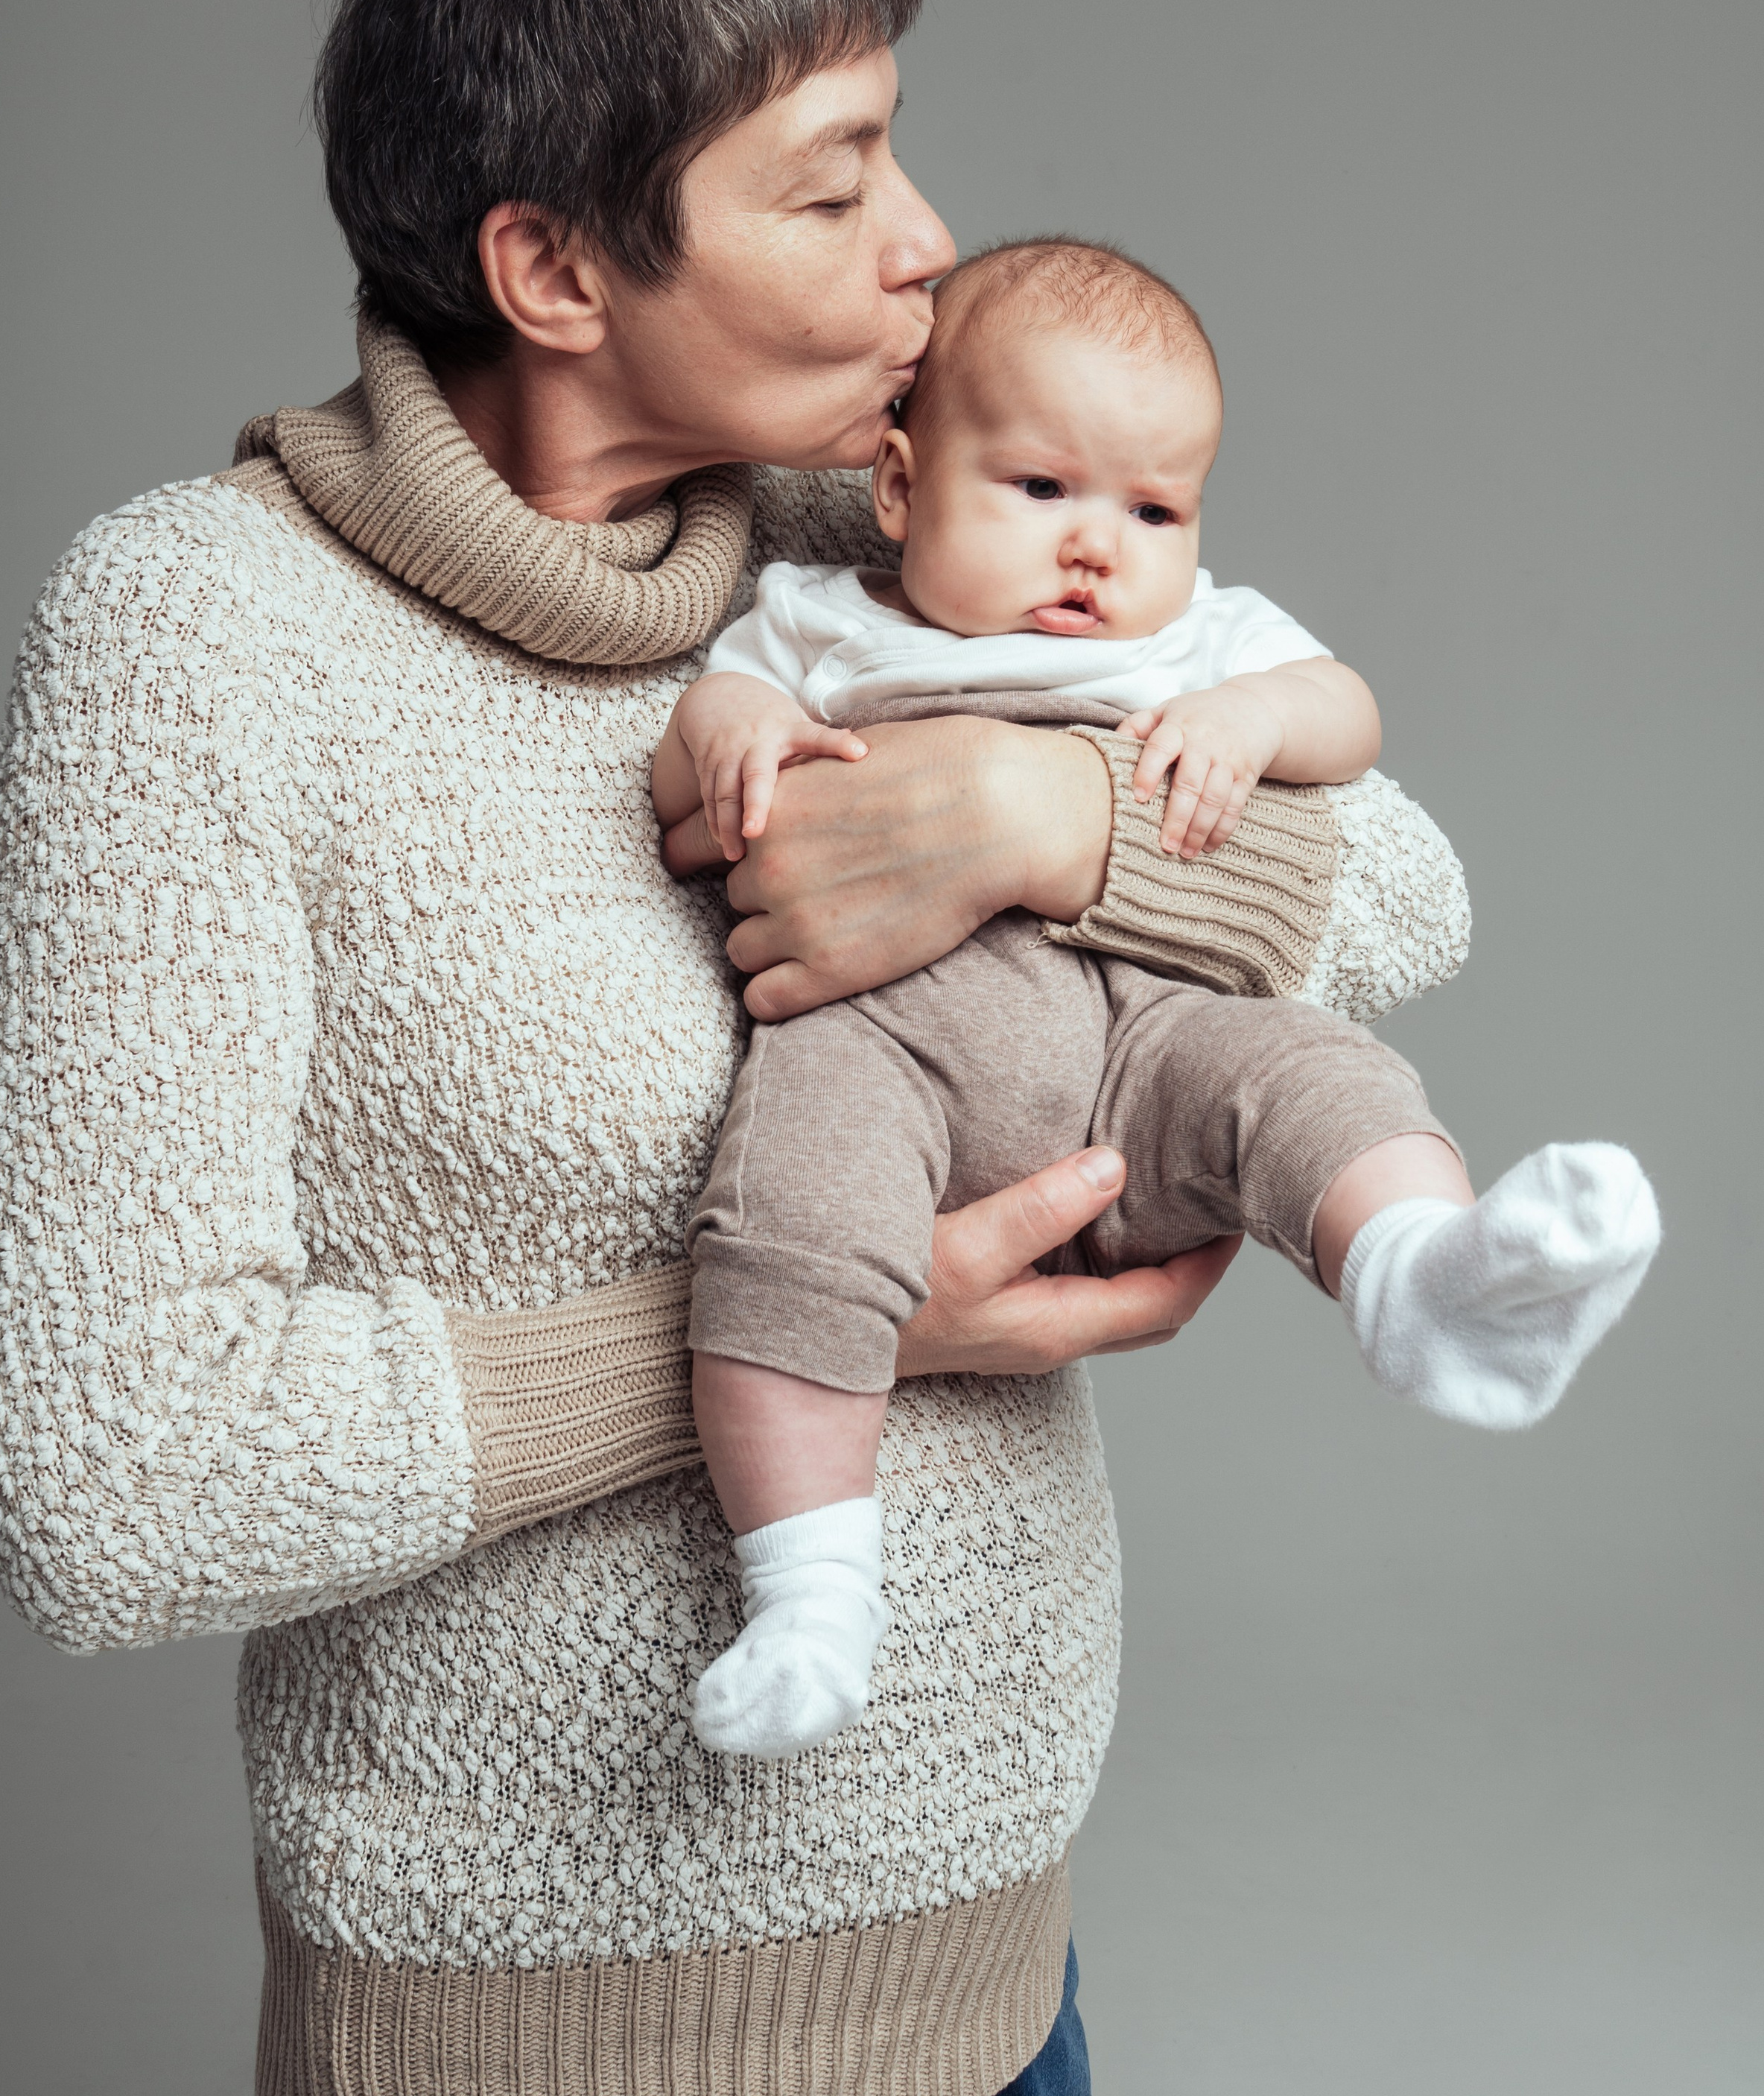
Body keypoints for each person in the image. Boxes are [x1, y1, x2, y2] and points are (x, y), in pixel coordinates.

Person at [0, 0, 1473, 2096]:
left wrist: (1045, 817)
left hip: (988, 1982)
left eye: (907, 153)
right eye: (835, 180)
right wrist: (834, 1321)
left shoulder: (885, 540)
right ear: (557, 271)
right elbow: (116, 1474)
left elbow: (1402, 883)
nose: (932, 250)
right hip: (520, 2089)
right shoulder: (200, 642)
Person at [660, 238, 1661, 1759]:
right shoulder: (824, 618)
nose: (1094, 551)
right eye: (1038, 489)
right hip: (884, 1046)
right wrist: (728, 730)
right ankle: (811, 1591)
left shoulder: (1197, 643)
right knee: (787, 1220)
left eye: (1152, 510)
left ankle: (1418, 1275)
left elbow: (1350, 717)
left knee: (1312, 1072)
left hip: (1147, 1035)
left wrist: (1254, 712)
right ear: (896, 487)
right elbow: (716, 706)